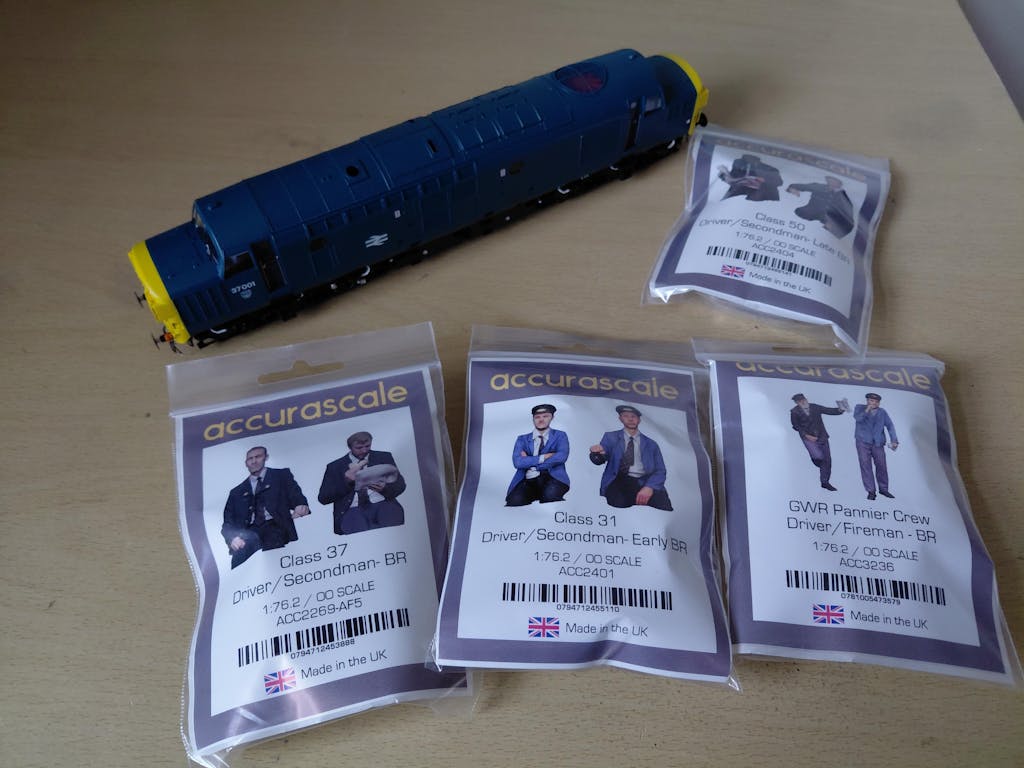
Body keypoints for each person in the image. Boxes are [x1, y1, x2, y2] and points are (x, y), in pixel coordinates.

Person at [221, 446, 310, 569]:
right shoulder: (236, 492)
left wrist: (300, 505)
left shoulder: (281, 476)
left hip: (276, 526)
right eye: (250, 459)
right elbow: (227, 523)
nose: (254, 461)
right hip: (248, 533)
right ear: (246, 463)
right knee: (240, 557)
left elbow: (295, 495)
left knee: (272, 550)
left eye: (258, 457)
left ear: (266, 457)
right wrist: (232, 538)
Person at [318, 431, 406, 534]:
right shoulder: (335, 466)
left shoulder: (383, 457)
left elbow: (401, 485)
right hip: (352, 512)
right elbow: (323, 498)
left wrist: (385, 489)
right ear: (350, 447)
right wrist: (347, 482)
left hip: (384, 505)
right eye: (359, 448)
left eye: (367, 446)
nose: (364, 450)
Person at [589, 405, 672, 510]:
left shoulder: (651, 444)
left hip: (644, 481)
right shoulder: (611, 437)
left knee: (664, 506)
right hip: (620, 481)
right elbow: (604, 453)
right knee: (618, 506)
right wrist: (598, 453)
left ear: (639, 420)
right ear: (620, 418)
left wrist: (649, 487)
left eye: (633, 416)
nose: (630, 419)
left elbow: (660, 470)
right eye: (626, 416)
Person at [505, 404, 570, 506]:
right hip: (527, 479)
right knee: (514, 500)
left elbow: (561, 456)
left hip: (553, 477)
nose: (541, 420)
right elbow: (517, 462)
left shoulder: (560, 435)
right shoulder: (522, 439)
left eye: (545, 416)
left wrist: (529, 462)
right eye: (537, 417)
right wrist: (544, 457)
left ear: (552, 417)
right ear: (533, 419)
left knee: (549, 496)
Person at [790, 394, 849, 491]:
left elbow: (829, 410)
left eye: (803, 399)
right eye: (799, 401)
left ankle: (825, 482)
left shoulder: (815, 407)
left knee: (827, 460)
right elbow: (796, 426)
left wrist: (840, 409)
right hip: (808, 438)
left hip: (822, 436)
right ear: (796, 403)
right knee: (818, 457)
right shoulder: (794, 412)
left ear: (806, 399)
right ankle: (818, 463)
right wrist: (806, 435)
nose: (803, 402)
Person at [853, 393, 899, 500]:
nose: (874, 403)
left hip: (878, 443)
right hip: (863, 442)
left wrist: (894, 440)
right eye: (871, 401)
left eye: (876, 402)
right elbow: (858, 419)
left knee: (881, 466)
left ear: (879, 403)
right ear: (867, 401)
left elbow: (890, 425)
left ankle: (883, 489)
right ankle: (871, 491)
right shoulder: (859, 408)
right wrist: (867, 410)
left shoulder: (882, 412)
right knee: (866, 465)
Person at [786, 175, 855, 237]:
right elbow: (801, 186)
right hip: (809, 212)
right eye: (830, 180)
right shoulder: (819, 187)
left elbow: (848, 216)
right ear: (827, 180)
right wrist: (792, 188)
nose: (832, 183)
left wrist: (832, 226)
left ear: (839, 184)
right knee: (799, 212)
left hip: (827, 219)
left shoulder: (842, 196)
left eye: (835, 182)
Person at [717, 154, 783, 201]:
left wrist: (763, 180)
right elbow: (734, 179)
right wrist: (724, 175)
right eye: (745, 159)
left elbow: (779, 182)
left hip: (761, 199)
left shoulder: (769, 169)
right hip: (738, 198)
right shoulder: (738, 163)